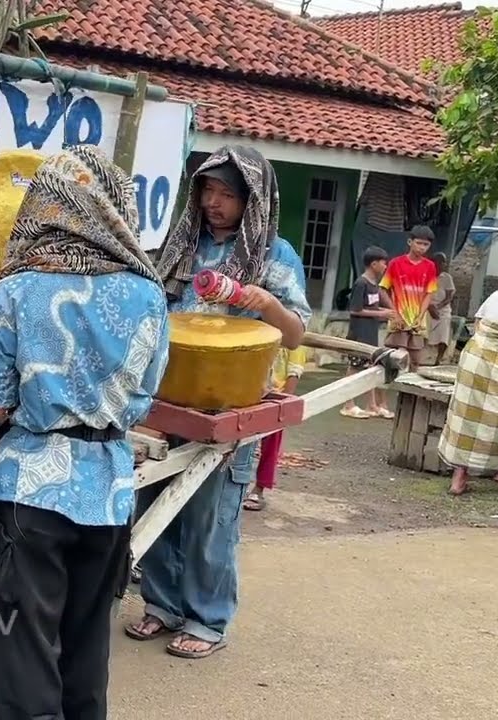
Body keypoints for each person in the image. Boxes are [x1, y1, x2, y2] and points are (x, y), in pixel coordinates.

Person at [0, 146, 169, 719]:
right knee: (86, 650)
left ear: (43, 205)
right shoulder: (148, 295)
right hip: (109, 491)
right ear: (112, 209)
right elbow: (142, 397)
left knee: (23, 655)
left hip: (31, 491)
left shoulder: (11, 291)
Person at [128, 146, 311, 659]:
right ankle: (162, 605)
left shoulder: (275, 255)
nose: (214, 202)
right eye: (208, 190)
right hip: (170, 393)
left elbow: (295, 334)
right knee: (155, 501)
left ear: (252, 200)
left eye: (227, 194)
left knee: (210, 515)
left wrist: (266, 302)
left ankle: (207, 620)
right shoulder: (183, 244)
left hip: (230, 402)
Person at [439, 238, 498, 496]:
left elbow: (478, 327)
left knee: (468, 419)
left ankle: (459, 478)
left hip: (478, 362)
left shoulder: (497, 297)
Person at [242, 345, 307, 512]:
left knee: (270, 446)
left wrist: (283, 402)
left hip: (275, 397)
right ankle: (239, 484)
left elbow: (294, 373)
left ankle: (259, 488)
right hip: (250, 393)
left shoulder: (295, 345)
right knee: (241, 441)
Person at [341, 246, 395, 419]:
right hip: (359, 333)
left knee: (370, 369)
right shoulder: (361, 283)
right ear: (373, 264)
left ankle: (371, 404)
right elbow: (355, 309)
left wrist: (385, 312)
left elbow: (371, 307)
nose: (385, 266)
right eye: (383, 263)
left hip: (371, 333)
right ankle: (348, 404)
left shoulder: (374, 285)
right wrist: (382, 314)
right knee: (355, 368)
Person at [379, 225, 438, 370]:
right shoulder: (395, 263)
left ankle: (409, 386)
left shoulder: (430, 266)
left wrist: (420, 316)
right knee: (394, 359)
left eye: (426, 244)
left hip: (417, 322)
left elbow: (429, 293)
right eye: (419, 243)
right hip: (398, 321)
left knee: (415, 360)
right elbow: (382, 289)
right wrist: (394, 313)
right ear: (410, 242)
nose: (422, 247)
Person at [427, 251, 456, 365]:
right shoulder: (426, 276)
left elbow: (449, 297)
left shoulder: (447, 277)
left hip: (443, 309)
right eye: (440, 262)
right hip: (426, 307)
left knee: (444, 331)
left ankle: (438, 359)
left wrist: (438, 307)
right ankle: (424, 357)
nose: (443, 265)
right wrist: (430, 307)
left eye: (444, 262)